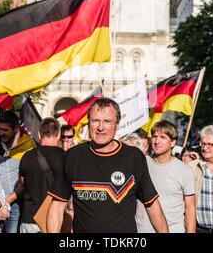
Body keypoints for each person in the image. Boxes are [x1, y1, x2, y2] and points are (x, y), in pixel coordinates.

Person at [47, 98, 169, 233]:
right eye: (95, 121)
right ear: (88, 123)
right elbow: (57, 206)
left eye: (107, 122)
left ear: (117, 124)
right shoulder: (72, 156)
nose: (100, 127)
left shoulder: (134, 157)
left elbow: (152, 206)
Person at [135, 120, 196, 233]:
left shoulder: (185, 171)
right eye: (154, 136)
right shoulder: (140, 164)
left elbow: (190, 208)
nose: (157, 141)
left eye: (162, 137)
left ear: (173, 142)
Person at [0, 110, 36, 233]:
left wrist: (6, 201)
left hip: (15, 202)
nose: (1, 133)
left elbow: (28, 178)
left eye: (5, 130)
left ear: (16, 128)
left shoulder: (28, 145)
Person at [19, 117, 65, 233]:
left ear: (39, 134)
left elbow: (22, 182)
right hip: (56, 219)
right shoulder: (66, 158)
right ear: (59, 134)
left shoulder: (27, 156)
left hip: (30, 217)